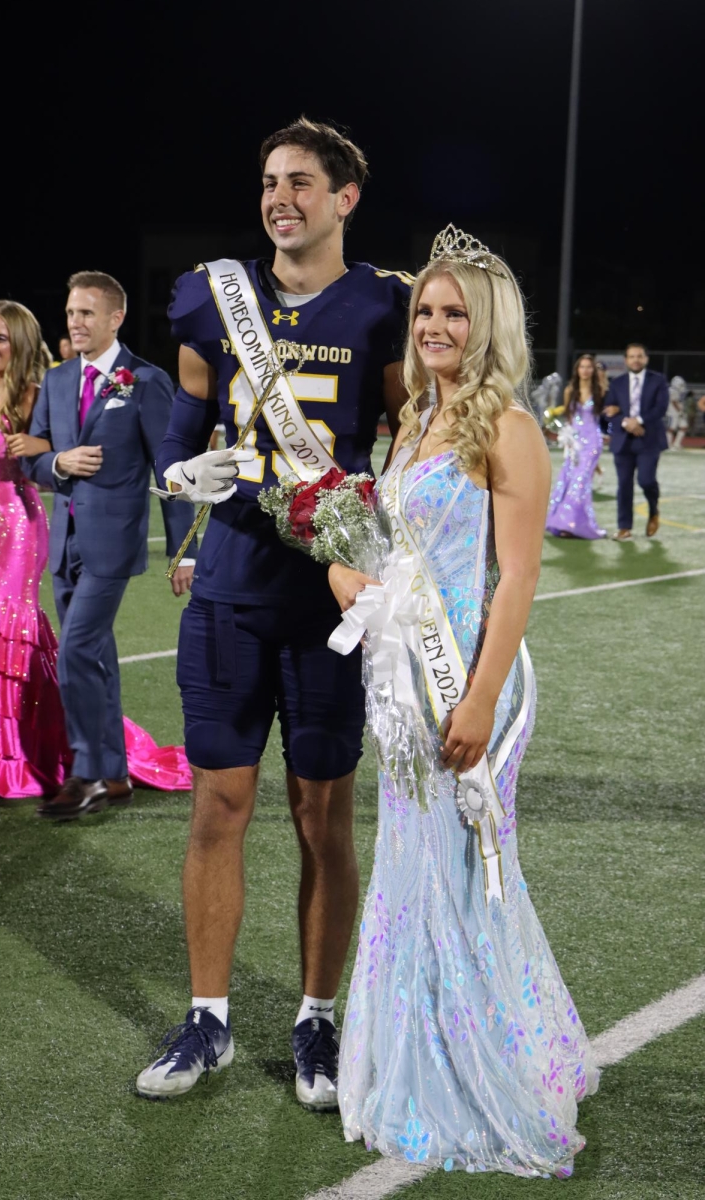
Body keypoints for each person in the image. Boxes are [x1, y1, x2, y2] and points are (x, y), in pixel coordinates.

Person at [137, 117, 413, 1107]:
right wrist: (181, 484)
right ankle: (207, 1016)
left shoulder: (383, 306)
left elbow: (408, 445)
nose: (277, 196)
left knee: (322, 815)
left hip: (328, 605)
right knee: (218, 805)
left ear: (344, 199)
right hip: (228, 594)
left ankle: (315, 1020)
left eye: (299, 181)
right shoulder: (214, 296)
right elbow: (184, 430)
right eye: (266, 181)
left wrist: (387, 553)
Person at [329, 227, 598, 1177]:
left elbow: (517, 580)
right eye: (427, 311)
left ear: (488, 328)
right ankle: (417, 1060)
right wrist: (343, 567)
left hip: (473, 682)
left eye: (456, 313)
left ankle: (488, 1075)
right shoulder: (412, 418)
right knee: (414, 870)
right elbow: (395, 543)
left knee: (468, 869)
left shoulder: (508, 426)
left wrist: (479, 699)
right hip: (405, 687)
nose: (437, 326)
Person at [0, 300, 191, 804]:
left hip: (20, 530)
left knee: (13, 635)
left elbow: (50, 450)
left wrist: (49, 453)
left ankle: (33, 757)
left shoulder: (35, 393)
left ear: (19, 343)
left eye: (1, 338)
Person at [21, 271, 194, 819]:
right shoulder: (55, 380)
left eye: (87, 313)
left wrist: (183, 549)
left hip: (112, 544)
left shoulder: (144, 381)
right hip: (64, 541)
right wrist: (56, 463)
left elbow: (171, 470)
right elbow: (33, 456)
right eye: (71, 313)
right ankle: (116, 774)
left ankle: (87, 773)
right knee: (94, 654)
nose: (75, 322)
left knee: (73, 652)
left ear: (115, 318)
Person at [602, 343, 668, 541]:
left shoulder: (658, 380)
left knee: (646, 481)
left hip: (649, 440)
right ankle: (624, 527)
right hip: (623, 441)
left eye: (639, 356)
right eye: (631, 356)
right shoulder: (617, 383)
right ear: (626, 360)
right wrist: (624, 421)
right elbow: (608, 412)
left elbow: (660, 408)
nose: (636, 360)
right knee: (624, 485)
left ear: (646, 359)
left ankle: (653, 509)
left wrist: (637, 421)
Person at [545, 353, 607, 538]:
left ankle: (570, 524)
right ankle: (569, 524)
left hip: (592, 443)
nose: (586, 370)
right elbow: (570, 417)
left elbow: (604, 415)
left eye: (589, 367)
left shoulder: (600, 391)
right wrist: (565, 435)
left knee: (579, 483)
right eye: (582, 367)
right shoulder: (570, 390)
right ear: (577, 370)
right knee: (569, 480)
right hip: (575, 442)